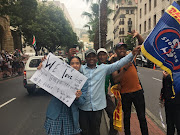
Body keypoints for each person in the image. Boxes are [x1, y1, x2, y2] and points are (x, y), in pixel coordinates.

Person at [69, 46, 141, 135]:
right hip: (83, 107)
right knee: (84, 131)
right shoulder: (81, 69)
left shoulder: (103, 68)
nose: (91, 58)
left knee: (96, 131)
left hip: (97, 107)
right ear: (86, 58)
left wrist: (132, 54)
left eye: (93, 56)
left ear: (96, 58)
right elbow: (68, 68)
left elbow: (119, 64)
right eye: (89, 56)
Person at [112, 30, 148, 135]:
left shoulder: (131, 57)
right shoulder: (115, 64)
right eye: (120, 48)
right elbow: (116, 79)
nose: (122, 50)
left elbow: (142, 45)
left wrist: (138, 36)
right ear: (116, 51)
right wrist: (125, 69)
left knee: (142, 117)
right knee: (127, 117)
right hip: (125, 94)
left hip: (138, 92)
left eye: (124, 48)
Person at [40, 56, 88, 135]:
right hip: (55, 113)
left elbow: (82, 102)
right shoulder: (60, 75)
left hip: (70, 115)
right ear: (69, 65)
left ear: (80, 65)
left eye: (77, 63)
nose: (75, 65)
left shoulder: (83, 81)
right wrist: (43, 65)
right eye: (72, 63)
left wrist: (77, 98)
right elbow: (47, 78)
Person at [97, 48, 117, 135]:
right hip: (95, 97)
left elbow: (113, 81)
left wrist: (115, 93)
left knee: (114, 116)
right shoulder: (94, 66)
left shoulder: (109, 67)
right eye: (100, 55)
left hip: (105, 95)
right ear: (97, 57)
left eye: (103, 55)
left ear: (106, 56)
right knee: (96, 119)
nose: (102, 57)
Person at [160, 71, 180, 135]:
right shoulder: (168, 67)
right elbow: (165, 85)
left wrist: (167, 77)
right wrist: (162, 95)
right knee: (169, 124)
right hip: (168, 100)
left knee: (178, 125)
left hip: (177, 101)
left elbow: (176, 80)